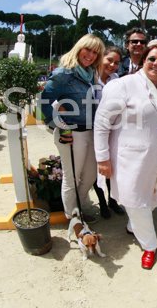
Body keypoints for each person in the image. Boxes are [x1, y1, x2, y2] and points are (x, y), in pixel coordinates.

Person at [94, 45, 157, 270]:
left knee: (148, 198)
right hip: (129, 161)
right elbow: (102, 123)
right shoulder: (123, 85)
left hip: (155, 161)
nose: (156, 64)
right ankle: (150, 246)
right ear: (143, 61)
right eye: (152, 59)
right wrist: (102, 158)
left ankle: (133, 226)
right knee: (135, 199)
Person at [40, 34, 105, 223]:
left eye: (95, 52)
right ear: (79, 48)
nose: (91, 55)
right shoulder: (63, 74)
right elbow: (44, 102)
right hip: (71, 133)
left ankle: (79, 205)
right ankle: (74, 218)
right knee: (72, 177)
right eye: (88, 50)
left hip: (90, 131)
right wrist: (61, 127)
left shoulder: (91, 75)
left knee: (91, 174)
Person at [92, 46, 126, 218]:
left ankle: (113, 201)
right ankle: (103, 203)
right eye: (109, 60)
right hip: (93, 131)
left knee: (112, 168)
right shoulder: (90, 79)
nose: (113, 65)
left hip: (113, 131)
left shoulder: (116, 80)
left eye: (116, 63)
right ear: (101, 58)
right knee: (97, 169)